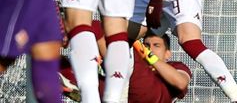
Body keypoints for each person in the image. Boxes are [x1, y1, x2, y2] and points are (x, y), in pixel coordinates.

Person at [61, 24, 192, 103]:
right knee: (63, 69)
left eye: (156, 45)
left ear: (168, 53)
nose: (150, 48)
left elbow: (181, 82)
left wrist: (145, 53)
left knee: (118, 41)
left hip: (149, 97)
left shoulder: (177, 66)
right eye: (146, 45)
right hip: (120, 89)